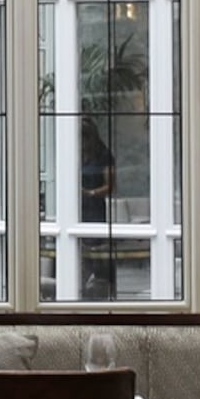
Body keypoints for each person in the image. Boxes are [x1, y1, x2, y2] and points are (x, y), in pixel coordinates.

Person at [80, 114, 116, 297]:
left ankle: (102, 285)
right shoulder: (77, 155)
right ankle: (82, 285)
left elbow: (110, 186)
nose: (82, 144)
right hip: (79, 207)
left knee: (95, 246)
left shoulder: (103, 155)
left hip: (94, 206)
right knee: (81, 247)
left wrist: (91, 193)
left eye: (84, 139)